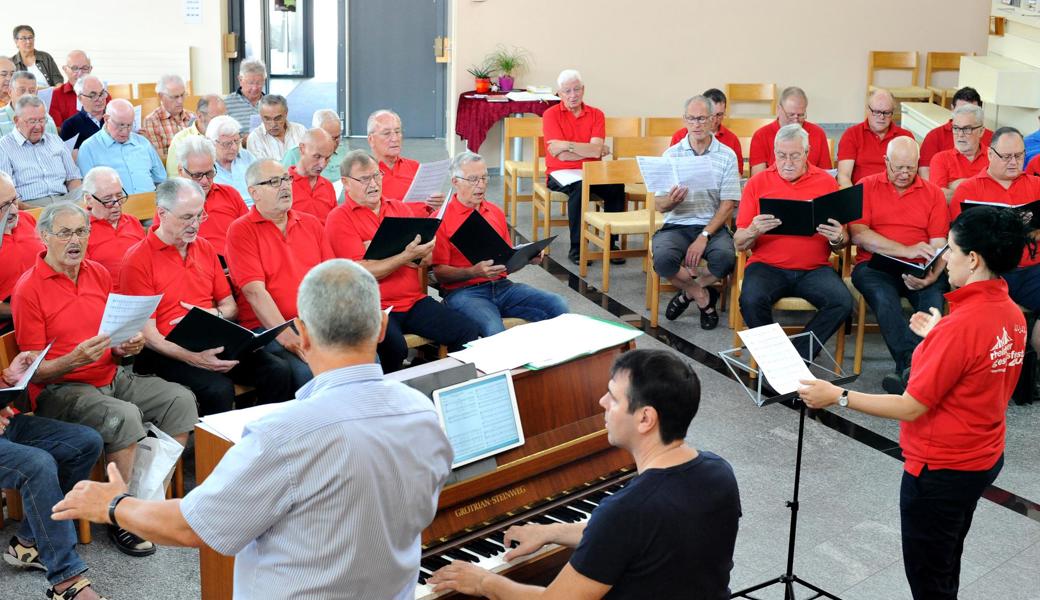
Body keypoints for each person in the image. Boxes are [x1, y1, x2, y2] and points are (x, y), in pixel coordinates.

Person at [52, 259, 454, 600]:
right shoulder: (423, 413)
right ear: (383, 328)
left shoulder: (284, 435)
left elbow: (194, 525)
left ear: (305, 334)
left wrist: (112, 505)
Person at [799, 206, 1029, 600]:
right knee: (946, 559)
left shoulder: (961, 328)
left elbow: (910, 406)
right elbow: (979, 368)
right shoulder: (1011, 312)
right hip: (983, 455)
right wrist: (939, 336)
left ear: (973, 259)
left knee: (928, 579)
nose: (945, 259)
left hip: (942, 468)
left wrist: (837, 395)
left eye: (951, 250)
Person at [429, 348, 742, 599]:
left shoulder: (626, 511)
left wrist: (484, 583)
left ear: (645, 418)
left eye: (613, 397)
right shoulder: (719, 472)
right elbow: (631, 538)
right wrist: (550, 531)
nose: (602, 402)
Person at [12, 202, 198, 557]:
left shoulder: (97, 272)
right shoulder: (29, 289)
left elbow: (114, 344)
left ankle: (141, 498)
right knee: (124, 416)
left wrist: (128, 346)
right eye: (65, 232)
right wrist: (73, 359)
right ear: (44, 236)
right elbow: (33, 372)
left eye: (81, 231)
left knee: (180, 400)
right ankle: (121, 518)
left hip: (111, 374)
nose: (75, 240)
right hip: (61, 389)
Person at [121, 178, 293, 416]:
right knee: (218, 389)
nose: (194, 224)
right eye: (186, 217)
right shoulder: (138, 258)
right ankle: (216, 450)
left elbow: (230, 307)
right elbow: (149, 336)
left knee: (278, 371)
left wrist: (208, 315)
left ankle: (264, 441)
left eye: (199, 216)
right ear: (162, 213)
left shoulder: (204, 247)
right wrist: (194, 358)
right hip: (164, 350)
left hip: (209, 336)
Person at [326, 150, 479, 372]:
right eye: (364, 179)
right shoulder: (339, 218)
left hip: (412, 301)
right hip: (373, 308)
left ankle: (440, 381)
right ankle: (392, 399)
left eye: (377, 175)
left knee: (466, 331)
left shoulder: (399, 208)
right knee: (395, 348)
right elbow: (364, 272)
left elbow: (425, 258)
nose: (374, 183)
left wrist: (408, 254)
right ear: (346, 183)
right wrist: (405, 256)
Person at [734, 124, 852, 358]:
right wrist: (753, 231)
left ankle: (792, 359)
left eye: (795, 156)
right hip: (767, 266)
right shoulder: (757, 183)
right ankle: (780, 360)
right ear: (774, 153)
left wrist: (838, 237)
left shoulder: (826, 183)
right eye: (781, 155)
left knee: (842, 302)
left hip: (814, 269)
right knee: (750, 300)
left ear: (807, 153)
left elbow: (842, 242)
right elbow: (738, 242)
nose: (787, 162)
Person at [0, 352, 109, 600]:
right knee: (37, 464)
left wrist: (9, 381)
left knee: (86, 441)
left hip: (7, 425)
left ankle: (30, 542)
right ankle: (66, 580)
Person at [432, 151, 568, 336]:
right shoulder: (441, 219)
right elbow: (440, 274)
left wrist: (527, 257)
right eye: (473, 179)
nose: (481, 185)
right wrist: (474, 272)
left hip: (502, 287)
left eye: (484, 178)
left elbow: (506, 263)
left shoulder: (494, 212)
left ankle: (556, 363)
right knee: (494, 330)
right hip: (463, 293)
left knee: (558, 305)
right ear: (455, 182)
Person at [849, 137, 948, 387]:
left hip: (920, 267)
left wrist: (932, 275)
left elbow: (938, 243)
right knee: (884, 298)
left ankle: (907, 372)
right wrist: (906, 249)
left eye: (911, 167)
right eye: (898, 167)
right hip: (875, 265)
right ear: (886, 162)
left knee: (933, 300)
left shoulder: (933, 193)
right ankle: (914, 367)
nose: (904, 173)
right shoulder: (866, 186)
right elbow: (860, 235)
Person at [225, 159, 331, 388]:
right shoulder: (241, 230)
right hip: (268, 328)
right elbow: (254, 292)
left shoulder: (311, 223)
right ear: (254, 193)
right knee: (309, 374)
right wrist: (285, 335)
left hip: (313, 321)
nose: (284, 186)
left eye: (286, 179)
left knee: (366, 360)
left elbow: (330, 280)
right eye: (274, 182)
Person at [950, 127, 1040, 356]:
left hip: (1033, 271)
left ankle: (1033, 372)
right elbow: (957, 243)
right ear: (990, 154)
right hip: (992, 272)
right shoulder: (969, 190)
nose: (1014, 162)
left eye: (1019, 156)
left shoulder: (1037, 187)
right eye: (1007, 156)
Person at [653, 95, 740, 330]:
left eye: (702, 118)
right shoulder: (671, 155)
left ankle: (685, 295)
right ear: (684, 120)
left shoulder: (727, 155)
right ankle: (702, 296)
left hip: (712, 224)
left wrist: (704, 236)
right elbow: (659, 205)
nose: (697, 124)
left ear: (713, 120)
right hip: (677, 223)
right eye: (691, 119)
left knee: (725, 259)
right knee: (662, 260)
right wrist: (671, 201)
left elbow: (728, 204)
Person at [542, 69, 625, 265]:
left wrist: (568, 145)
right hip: (559, 173)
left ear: (583, 89)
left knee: (616, 185)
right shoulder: (550, 115)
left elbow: (596, 151)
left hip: (591, 171)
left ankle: (611, 243)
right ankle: (577, 248)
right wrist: (589, 150)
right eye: (567, 91)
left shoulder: (596, 114)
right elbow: (559, 155)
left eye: (576, 89)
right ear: (560, 93)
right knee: (579, 189)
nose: (572, 95)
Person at [0, 95, 80, 206]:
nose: (38, 127)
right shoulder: (4, 147)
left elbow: (73, 179)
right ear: (16, 120)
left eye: (42, 120)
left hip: (65, 201)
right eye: (32, 121)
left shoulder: (55, 140)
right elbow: (7, 194)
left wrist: (75, 204)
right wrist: (32, 211)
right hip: (30, 205)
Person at [174, 136, 248, 255]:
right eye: (197, 175)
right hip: (196, 268)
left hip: (236, 264)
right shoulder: (170, 203)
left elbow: (251, 233)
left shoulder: (230, 194)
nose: (204, 181)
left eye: (209, 173)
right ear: (181, 171)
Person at [77, 99, 167, 194]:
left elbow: (161, 179)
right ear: (106, 119)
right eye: (120, 125)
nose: (125, 131)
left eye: (129, 125)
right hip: (115, 206)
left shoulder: (143, 142)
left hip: (150, 203)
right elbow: (87, 191)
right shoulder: (89, 148)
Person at [366, 109, 445, 208]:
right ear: (371, 140)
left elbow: (431, 208)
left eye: (397, 132)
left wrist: (436, 203)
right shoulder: (363, 175)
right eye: (387, 133)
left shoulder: (416, 168)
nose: (395, 138)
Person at [837, 89, 913, 188]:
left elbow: (911, 176)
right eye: (876, 112)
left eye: (886, 113)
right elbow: (844, 176)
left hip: (896, 195)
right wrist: (854, 200)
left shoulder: (905, 137)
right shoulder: (852, 134)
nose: (881, 117)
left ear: (892, 113)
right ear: (867, 110)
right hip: (862, 195)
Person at [749, 86, 832, 176]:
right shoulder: (761, 136)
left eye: (801, 115)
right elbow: (759, 180)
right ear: (778, 110)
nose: (795, 120)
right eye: (791, 115)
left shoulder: (818, 133)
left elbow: (826, 175)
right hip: (774, 188)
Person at [81, 166, 145, 282]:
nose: (116, 204)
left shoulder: (133, 222)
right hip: (107, 295)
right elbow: (85, 277)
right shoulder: (81, 230)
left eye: (119, 196)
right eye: (107, 199)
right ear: (89, 199)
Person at [0, 171, 43, 332]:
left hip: (47, 307)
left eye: (14, 200)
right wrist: (31, 311)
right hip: (11, 325)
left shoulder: (27, 220)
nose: (13, 211)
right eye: (4, 206)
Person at [919, 87, 992, 177]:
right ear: (952, 109)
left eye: (972, 111)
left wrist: (957, 185)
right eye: (961, 110)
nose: (965, 115)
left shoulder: (993, 138)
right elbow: (925, 174)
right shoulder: (935, 135)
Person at [668, 88, 743, 170]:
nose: (715, 119)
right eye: (712, 114)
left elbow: (736, 174)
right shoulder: (679, 136)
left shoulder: (732, 139)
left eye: (719, 115)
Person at [928, 104, 988, 200]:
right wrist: (981, 188)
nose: (960, 134)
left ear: (981, 131)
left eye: (967, 129)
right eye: (956, 128)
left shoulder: (994, 157)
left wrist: (958, 185)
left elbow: (1000, 194)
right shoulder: (940, 159)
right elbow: (938, 197)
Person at [165, 94, 226, 177]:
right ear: (200, 116)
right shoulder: (181, 140)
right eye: (216, 118)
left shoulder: (230, 137)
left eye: (224, 117)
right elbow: (174, 178)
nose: (222, 123)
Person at [281, 109, 348, 182]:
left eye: (337, 137)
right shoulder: (294, 155)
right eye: (329, 138)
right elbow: (281, 184)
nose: (334, 143)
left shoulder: (344, 152)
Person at [287, 128, 337, 223]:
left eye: (327, 158)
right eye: (317, 156)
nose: (322, 164)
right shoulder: (283, 185)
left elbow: (334, 224)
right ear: (302, 149)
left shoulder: (328, 186)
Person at [141, 74, 195, 158]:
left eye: (183, 95)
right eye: (174, 97)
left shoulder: (192, 116)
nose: (180, 101)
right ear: (161, 96)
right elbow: (159, 159)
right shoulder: (152, 121)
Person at [206, 114, 256, 204]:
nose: (234, 147)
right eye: (227, 144)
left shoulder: (246, 156)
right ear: (211, 143)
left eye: (236, 141)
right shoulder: (205, 166)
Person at [245, 94, 305, 161]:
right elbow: (262, 169)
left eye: (278, 118)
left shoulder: (300, 130)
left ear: (286, 113)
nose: (273, 124)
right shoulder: (255, 138)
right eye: (267, 119)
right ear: (261, 116)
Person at [0, 70, 59, 136]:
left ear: (36, 93)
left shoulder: (47, 119)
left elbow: (56, 145)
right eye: (21, 90)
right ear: (10, 92)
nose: (27, 95)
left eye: (31, 91)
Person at [59, 75, 108, 152]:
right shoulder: (70, 125)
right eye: (93, 95)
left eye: (102, 93)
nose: (100, 99)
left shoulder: (115, 117)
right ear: (80, 98)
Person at [48, 50, 94, 128]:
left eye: (85, 68)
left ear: (90, 69)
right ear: (65, 69)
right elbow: (56, 130)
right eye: (75, 68)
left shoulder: (101, 93)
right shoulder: (55, 95)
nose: (80, 73)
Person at [223, 58, 266, 136]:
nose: (255, 88)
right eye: (250, 83)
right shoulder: (227, 103)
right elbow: (221, 133)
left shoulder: (271, 103)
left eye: (259, 83)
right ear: (240, 80)